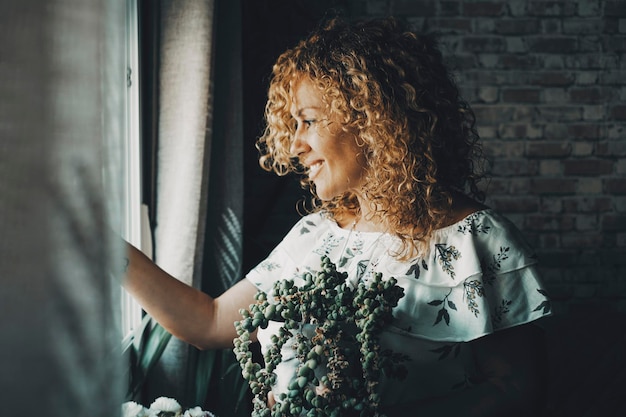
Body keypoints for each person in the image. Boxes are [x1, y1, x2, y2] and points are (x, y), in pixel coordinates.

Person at [123, 17, 551, 417]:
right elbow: (211, 321)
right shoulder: (317, 236)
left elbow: (515, 389)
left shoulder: (481, 242)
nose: (294, 146)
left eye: (308, 121)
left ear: (372, 119)